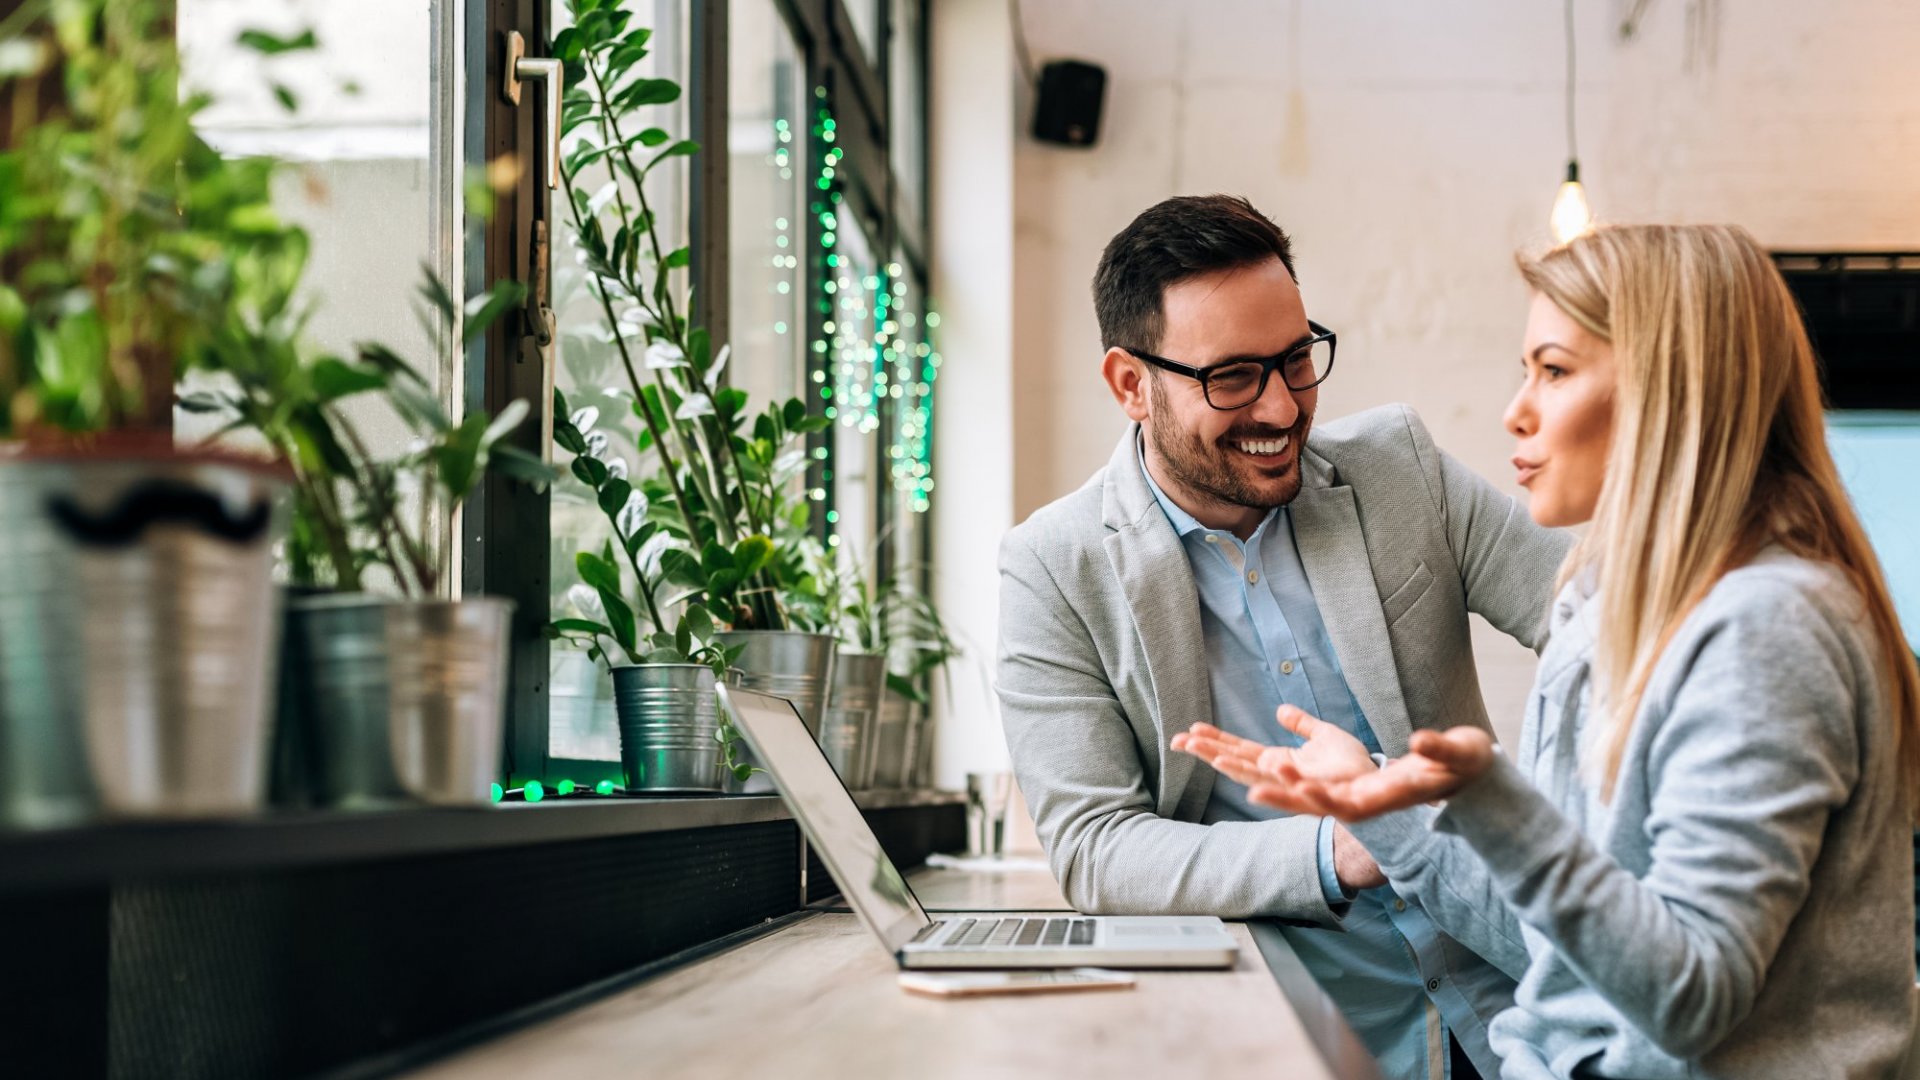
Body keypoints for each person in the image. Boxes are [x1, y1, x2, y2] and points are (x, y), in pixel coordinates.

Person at [1176, 223, 1920, 1079]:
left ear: (1671, 391)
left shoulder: (1764, 630)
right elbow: (1564, 951)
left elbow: (1690, 996)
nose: (1515, 410)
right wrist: (1378, 809)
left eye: (1555, 370)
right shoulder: (1601, 606)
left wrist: (1500, 804)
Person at [996, 193, 1573, 1080]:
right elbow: (1098, 847)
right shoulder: (1052, 566)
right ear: (1129, 385)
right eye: (1232, 377)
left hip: (1514, 1007)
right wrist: (1343, 846)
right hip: (1293, 1031)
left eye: (1296, 359)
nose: (1280, 407)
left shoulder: (1400, 470)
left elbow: (1599, 621)